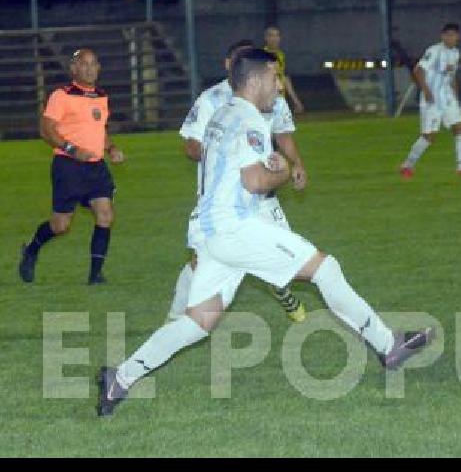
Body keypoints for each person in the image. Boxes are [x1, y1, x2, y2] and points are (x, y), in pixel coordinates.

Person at [97, 49, 434, 416]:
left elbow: (236, 168)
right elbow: (256, 181)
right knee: (325, 268)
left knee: (199, 322)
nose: (279, 86)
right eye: (275, 79)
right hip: (234, 227)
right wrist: (284, 171)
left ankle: (121, 377)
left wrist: (267, 164)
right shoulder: (251, 118)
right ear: (256, 80)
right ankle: (389, 346)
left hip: (210, 231)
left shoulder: (223, 113)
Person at [171, 39, 307, 323]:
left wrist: (296, 163)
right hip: (221, 199)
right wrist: (225, 149)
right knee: (201, 261)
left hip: (261, 194)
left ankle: (282, 292)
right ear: (229, 66)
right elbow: (191, 146)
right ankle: (175, 318)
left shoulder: (272, 96)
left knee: (282, 255)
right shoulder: (210, 100)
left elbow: (282, 133)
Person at [18, 48, 124, 285]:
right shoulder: (61, 95)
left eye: (93, 64)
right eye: (83, 64)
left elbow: (99, 130)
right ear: (73, 69)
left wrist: (111, 148)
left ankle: (95, 275)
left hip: (96, 167)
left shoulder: (101, 96)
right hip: (68, 166)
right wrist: (72, 150)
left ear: (99, 68)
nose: (89, 69)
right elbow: (46, 130)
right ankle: (31, 250)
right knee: (61, 225)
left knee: (105, 215)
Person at [400, 23, 461, 178]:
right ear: (442, 36)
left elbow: (451, 76)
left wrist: (455, 96)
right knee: (429, 137)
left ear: (458, 37)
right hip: (432, 98)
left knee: (460, 128)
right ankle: (407, 165)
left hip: (448, 97)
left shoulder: (456, 53)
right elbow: (418, 71)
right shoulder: (434, 51)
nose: (450, 38)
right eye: (447, 35)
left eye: (453, 35)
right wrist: (426, 90)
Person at [264, 26, 305, 114]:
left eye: (277, 36)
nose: (274, 39)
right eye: (271, 36)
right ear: (266, 38)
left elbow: (285, 79)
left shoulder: (281, 55)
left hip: (280, 101)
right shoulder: (261, 56)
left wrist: (295, 101)